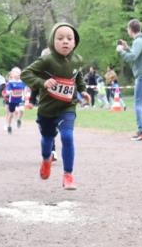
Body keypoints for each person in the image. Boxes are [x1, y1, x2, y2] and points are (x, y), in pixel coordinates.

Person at [23, 23, 91, 190]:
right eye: (60, 38)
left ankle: (68, 175)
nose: (65, 42)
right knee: (47, 140)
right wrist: (43, 82)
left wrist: (83, 91)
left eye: (69, 38)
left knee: (67, 136)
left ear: (75, 42)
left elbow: (78, 77)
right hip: (47, 109)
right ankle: (46, 160)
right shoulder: (46, 59)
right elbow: (26, 74)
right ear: (53, 42)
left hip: (67, 107)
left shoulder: (77, 60)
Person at [116, 19, 142, 140]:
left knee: (137, 103)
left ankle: (141, 131)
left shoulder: (138, 41)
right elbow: (137, 55)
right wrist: (127, 48)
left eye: (127, 29)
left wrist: (121, 51)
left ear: (130, 30)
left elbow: (131, 58)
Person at [5, 67, 26, 133]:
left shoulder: (22, 82)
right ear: (12, 74)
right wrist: (9, 92)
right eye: (16, 72)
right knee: (11, 114)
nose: (18, 73)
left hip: (20, 100)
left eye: (19, 72)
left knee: (22, 110)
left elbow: (24, 89)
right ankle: (9, 126)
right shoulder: (10, 83)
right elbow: (7, 91)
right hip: (12, 101)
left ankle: (19, 120)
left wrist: (25, 94)